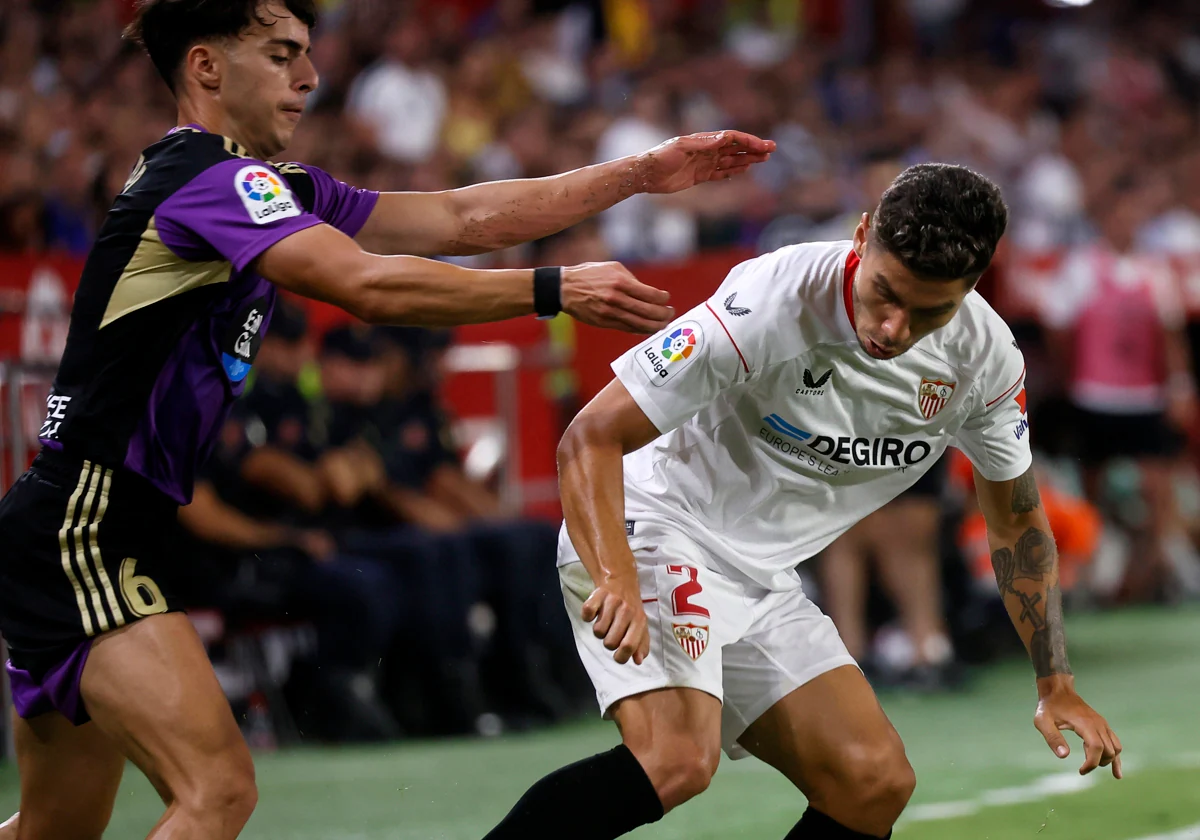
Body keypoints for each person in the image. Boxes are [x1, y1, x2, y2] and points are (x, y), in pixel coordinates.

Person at [0, 0, 775, 837]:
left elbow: (457, 219)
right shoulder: (210, 181)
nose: (309, 75)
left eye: (307, 52)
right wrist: (551, 288)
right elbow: (367, 285)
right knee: (217, 790)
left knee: (55, 830)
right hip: (88, 525)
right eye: (280, 53)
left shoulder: (266, 186)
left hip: (91, 527)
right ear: (206, 68)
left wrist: (634, 174)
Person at [484, 163, 1122, 840]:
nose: (894, 328)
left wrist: (1054, 681)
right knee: (674, 760)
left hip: (762, 575)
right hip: (657, 524)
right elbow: (590, 436)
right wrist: (613, 572)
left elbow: (1017, 522)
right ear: (861, 235)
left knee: (872, 781)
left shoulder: (985, 363)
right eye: (885, 293)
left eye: (930, 311)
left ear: (971, 290)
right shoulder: (772, 299)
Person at [1043, 178, 1200, 601]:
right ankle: (1091, 579)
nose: (1126, 222)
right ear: (1105, 219)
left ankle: (1143, 577)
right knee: (1091, 492)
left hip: (1144, 397)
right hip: (1094, 396)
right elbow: (1058, 329)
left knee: (1158, 492)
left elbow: (1171, 337)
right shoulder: (1080, 268)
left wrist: (1180, 388)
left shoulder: (1155, 271)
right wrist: (1070, 380)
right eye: (1119, 214)